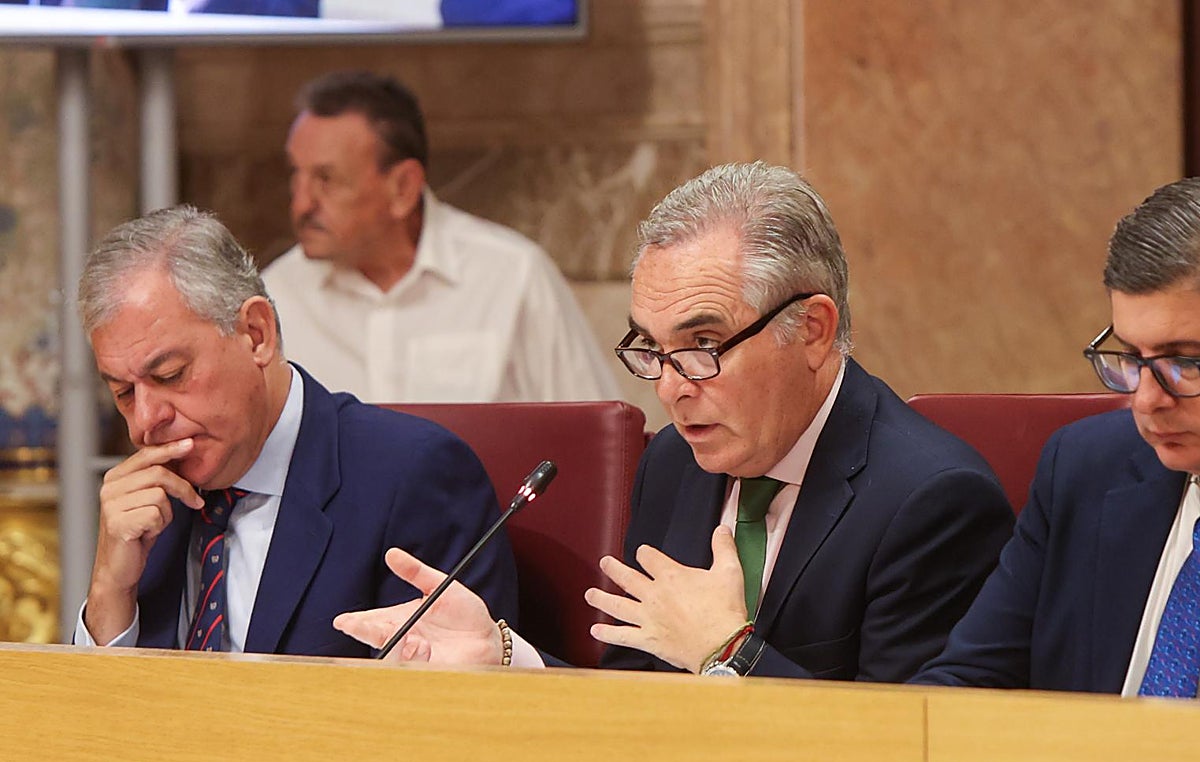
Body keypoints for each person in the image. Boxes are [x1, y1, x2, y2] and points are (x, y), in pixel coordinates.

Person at [333, 161, 1015, 680]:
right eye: (651, 349)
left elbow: (906, 761)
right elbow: (636, 703)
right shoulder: (674, 465)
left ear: (811, 329)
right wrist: (508, 660)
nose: (669, 387)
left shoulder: (931, 501)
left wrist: (731, 656)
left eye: (702, 346)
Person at [73, 204, 517, 656]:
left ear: (256, 334)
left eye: (170, 375)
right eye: (124, 393)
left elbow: (466, 703)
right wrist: (110, 591)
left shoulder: (412, 478)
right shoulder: (149, 505)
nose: (146, 421)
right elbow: (95, 715)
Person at [910, 177, 1200, 696]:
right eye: (1132, 358)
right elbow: (962, 686)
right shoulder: (1084, 469)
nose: (1146, 399)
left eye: (1186, 361)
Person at [261, 70, 621, 404]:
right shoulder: (275, 298)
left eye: (326, 179)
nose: (301, 203)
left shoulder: (512, 276)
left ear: (403, 187)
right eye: (297, 175)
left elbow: (598, 436)